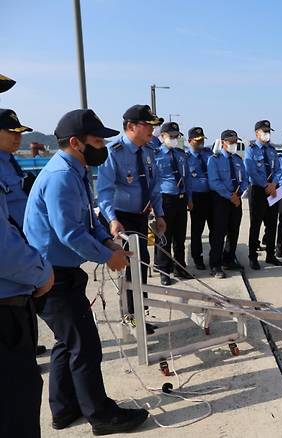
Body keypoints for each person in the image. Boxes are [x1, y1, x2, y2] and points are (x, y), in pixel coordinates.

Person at [24, 109, 149, 435]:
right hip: (53, 277)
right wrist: (108, 258)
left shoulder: (75, 171)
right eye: (96, 141)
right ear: (77, 143)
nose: (102, 147)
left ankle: (65, 409)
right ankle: (102, 415)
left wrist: (107, 241)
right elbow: (68, 233)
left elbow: (87, 223)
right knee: (85, 346)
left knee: (68, 343)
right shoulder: (61, 177)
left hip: (64, 272)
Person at [0, 107, 55, 438]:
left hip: (17, 285)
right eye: (12, 131)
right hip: (10, 293)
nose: (19, 137)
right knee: (16, 399)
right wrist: (41, 272)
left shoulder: (9, 162)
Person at [96, 104, 165, 333]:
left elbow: (154, 186)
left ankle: (138, 314)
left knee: (141, 264)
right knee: (131, 265)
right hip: (121, 220)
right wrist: (112, 219)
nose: (151, 131)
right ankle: (130, 316)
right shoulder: (113, 152)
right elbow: (104, 190)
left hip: (141, 216)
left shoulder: (148, 152)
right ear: (131, 126)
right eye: (147, 126)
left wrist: (160, 213)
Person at [154, 122, 193, 285]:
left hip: (181, 199)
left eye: (176, 136)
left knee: (180, 236)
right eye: (171, 136)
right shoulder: (155, 155)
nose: (174, 139)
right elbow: (152, 182)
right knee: (164, 237)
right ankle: (164, 269)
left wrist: (189, 198)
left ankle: (180, 267)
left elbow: (188, 178)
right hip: (165, 199)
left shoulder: (181, 154)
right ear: (162, 137)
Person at [207, 130, 248, 278]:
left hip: (236, 200)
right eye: (230, 142)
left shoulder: (238, 160)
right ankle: (215, 264)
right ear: (223, 142)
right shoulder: (214, 159)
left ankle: (229, 259)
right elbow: (214, 181)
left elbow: (245, 179)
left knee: (233, 231)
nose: (233, 144)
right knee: (218, 234)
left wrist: (239, 194)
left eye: (235, 142)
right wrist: (230, 195)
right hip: (221, 200)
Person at [244, 120, 282, 269]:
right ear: (257, 133)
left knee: (272, 224)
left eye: (268, 131)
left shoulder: (272, 150)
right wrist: (266, 184)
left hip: (273, 190)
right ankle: (253, 257)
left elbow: (279, 170)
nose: (267, 134)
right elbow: (251, 170)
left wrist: (273, 184)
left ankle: (270, 255)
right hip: (258, 190)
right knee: (256, 224)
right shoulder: (251, 150)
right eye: (264, 131)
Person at [186, 126, 213, 270]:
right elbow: (185, 181)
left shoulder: (209, 154)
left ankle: (215, 256)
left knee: (215, 228)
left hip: (212, 196)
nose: (201, 142)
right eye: (197, 140)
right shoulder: (186, 158)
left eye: (202, 139)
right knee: (197, 230)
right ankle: (197, 258)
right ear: (190, 141)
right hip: (197, 197)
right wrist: (189, 199)